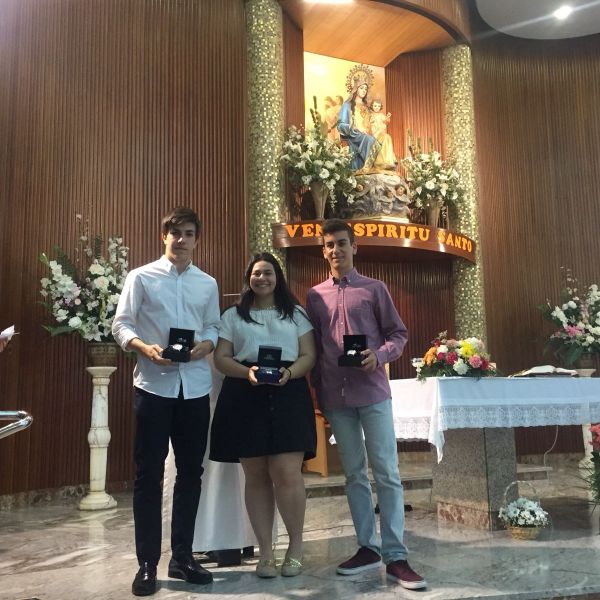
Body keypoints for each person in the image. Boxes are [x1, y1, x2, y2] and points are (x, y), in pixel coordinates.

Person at [305, 219, 426, 590]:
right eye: (329, 245)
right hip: (337, 398)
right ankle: (367, 548)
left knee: (386, 472)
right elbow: (314, 347)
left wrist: (379, 355)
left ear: (354, 247)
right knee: (354, 474)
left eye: (342, 243)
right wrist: (318, 392)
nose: (336, 250)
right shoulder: (314, 296)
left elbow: (398, 334)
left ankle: (396, 555)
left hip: (372, 393)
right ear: (323, 251)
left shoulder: (375, 289)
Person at [112, 207, 220, 596]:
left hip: (194, 388)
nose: (181, 239)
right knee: (148, 476)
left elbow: (213, 327)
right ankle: (146, 564)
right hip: (153, 388)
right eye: (175, 233)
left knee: (191, 473)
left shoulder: (207, 283)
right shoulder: (140, 277)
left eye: (189, 233)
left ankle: (183, 557)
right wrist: (144, 347)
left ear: (196, 239)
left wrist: (204, 347)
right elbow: (121, 324)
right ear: (164, 236)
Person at [209, 252, 316, 579]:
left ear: (277, 277)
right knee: (255, 475)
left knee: (287, 472)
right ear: (249, 278)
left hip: (288, 390)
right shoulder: (233, 315)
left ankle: (295, 546)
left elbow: (309, 354)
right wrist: (247, 372)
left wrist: (290, 373)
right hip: (245, 393)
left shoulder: (295, 313)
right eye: (256, 273)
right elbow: (221, 357)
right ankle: (266, 552)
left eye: (268, 273)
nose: (262, 278)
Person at [337, 79, 381, 171]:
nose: (364, 90)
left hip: (367, 134)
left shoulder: (367, 107)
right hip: (353, 136)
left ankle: (382, 166)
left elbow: (371, 123)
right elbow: (340, 125)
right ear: (356, 89)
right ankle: (368, 168)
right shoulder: (347, 105)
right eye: (361, 88)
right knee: (370, 140)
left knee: (384, 139)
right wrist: (352, 127)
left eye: (365, 89)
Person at [370, 98, 397, 169]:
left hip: (381, 133)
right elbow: (368, 124)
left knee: (388, 137)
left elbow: (386, 121)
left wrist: (388, 117)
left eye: (378, 106)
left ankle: (388, 161)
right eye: (375, 106)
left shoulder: (381, 115)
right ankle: (380, 162)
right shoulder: (370, 115)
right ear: (372, 106)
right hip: (374, 133)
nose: (377, 108)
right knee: (384, 138)